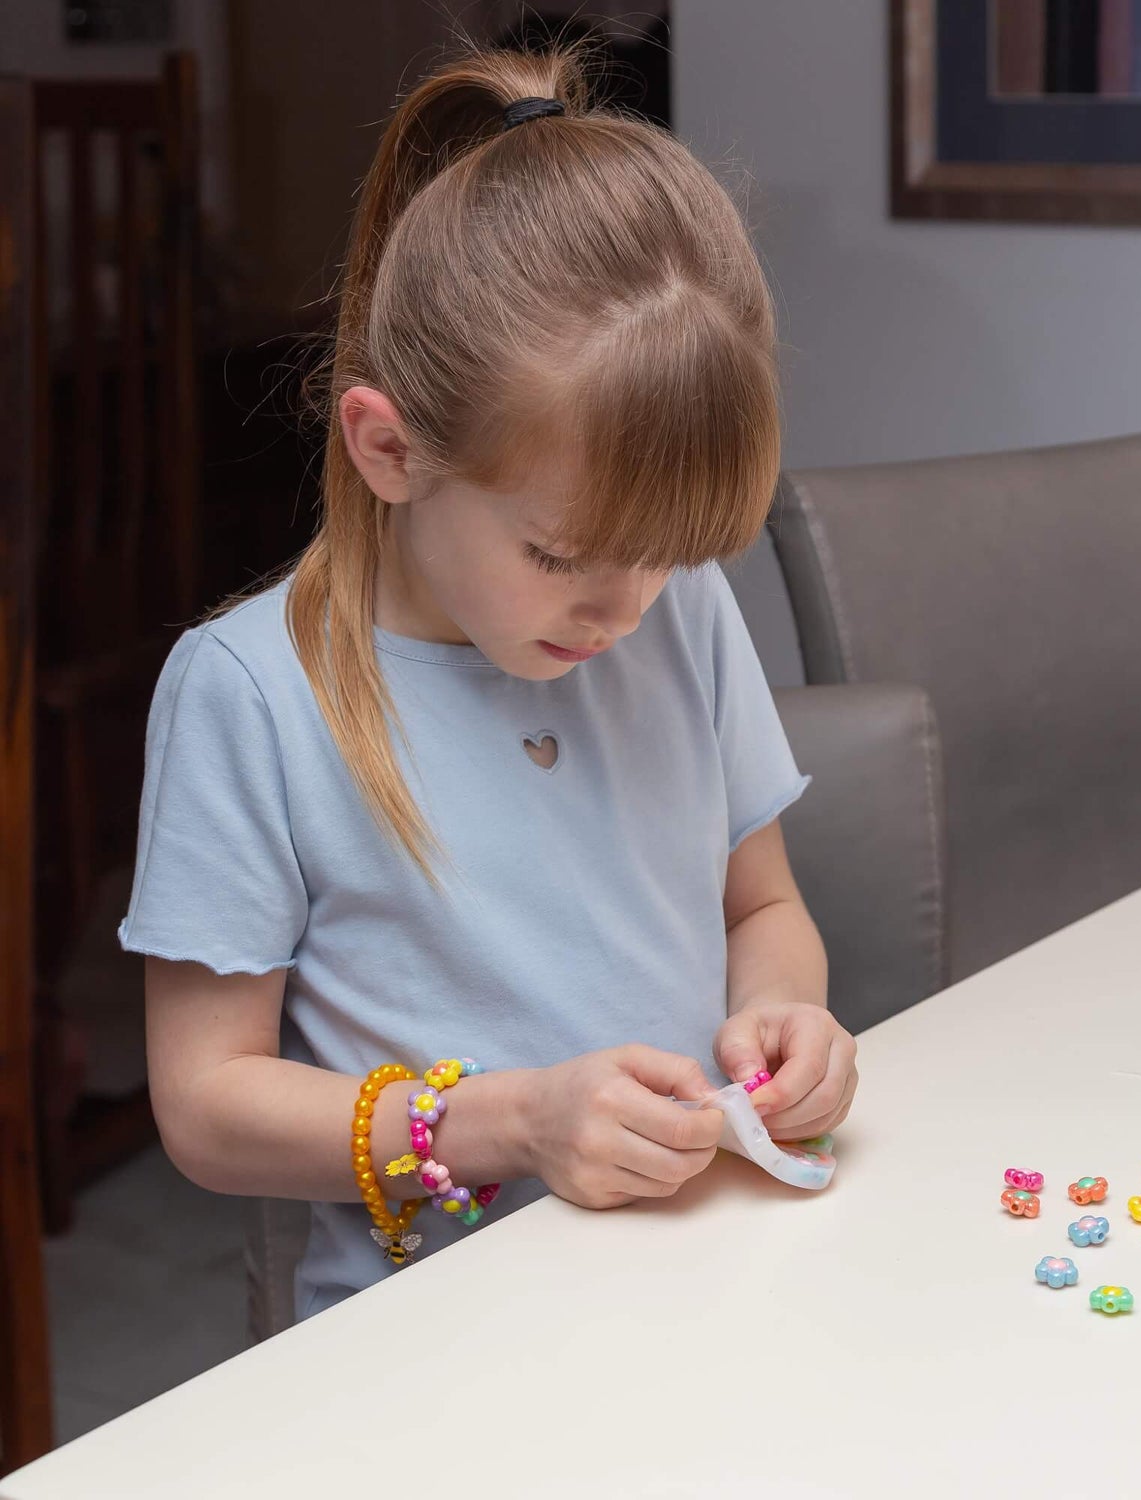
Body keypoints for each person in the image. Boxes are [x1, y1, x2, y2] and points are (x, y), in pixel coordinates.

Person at [120, 42, 858, 1321]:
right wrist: (517, 1121)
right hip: (442, 1340)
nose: (623, 610)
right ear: (390, 449)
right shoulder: (251, 696)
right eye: (562, 555)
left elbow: (762, 910)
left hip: (709, 1284)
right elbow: (206, 1106)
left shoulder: (672, 608)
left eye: (666, 556)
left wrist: (786, 1019)